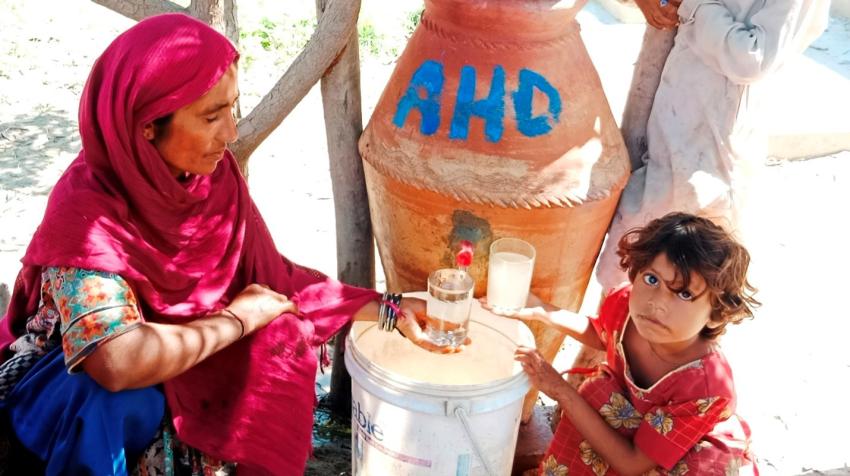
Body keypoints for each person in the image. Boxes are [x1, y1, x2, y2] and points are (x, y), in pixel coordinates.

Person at [0, 13, 454, 476]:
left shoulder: (209, 185)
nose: (231, 133)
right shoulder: (88, 215)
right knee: (116, 402)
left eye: (232, 109)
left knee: (282, 335)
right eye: (211, 116)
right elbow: (116, 360)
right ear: (146, 127)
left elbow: (273, 282)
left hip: (181, 361)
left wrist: (390, 310)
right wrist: (236, 319)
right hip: (83, 391)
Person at [486, 213, 760, 474]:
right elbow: (605, 334)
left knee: (585, 400)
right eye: (652, 279)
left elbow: (632, 464)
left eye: (685, 294)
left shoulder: (705, 386)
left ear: (715, 315)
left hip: (681, 455)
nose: (657, 303)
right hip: (633, 424)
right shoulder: (626, 306)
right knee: (595, 398)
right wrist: (542, 310)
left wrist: (560, 390)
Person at [595, 0, 830, 291]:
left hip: (707, 157)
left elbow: (754, 59)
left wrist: (692, 7)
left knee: (682, 283)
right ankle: (610, 333)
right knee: (626, 273)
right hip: (655, 129)